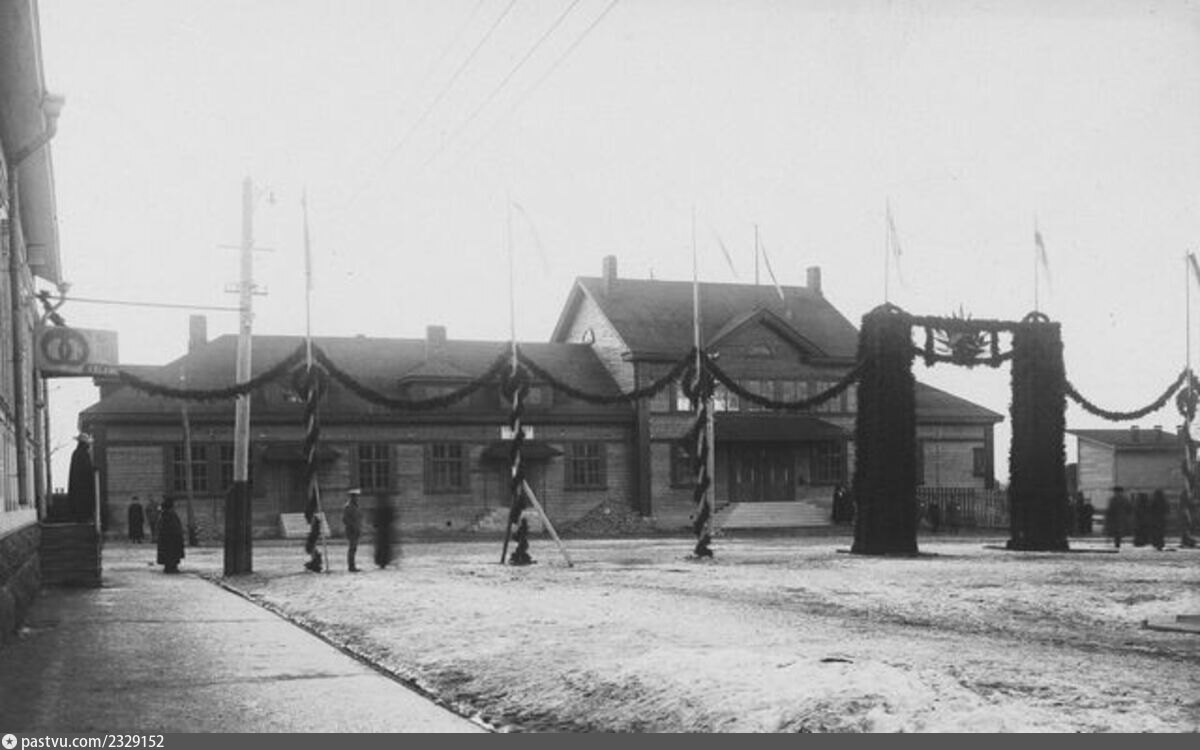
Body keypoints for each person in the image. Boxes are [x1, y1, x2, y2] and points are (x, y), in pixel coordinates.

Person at [67, 433, 96, 523]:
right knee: (84, 502)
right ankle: (84, 518)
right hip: (84, 485)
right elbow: (86, 469)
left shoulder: (75, 453)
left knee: (79, 501)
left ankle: (79, 517)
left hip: (77, 485)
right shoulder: (84, 454)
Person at [156, 497, 185, 573]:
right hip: (172, 538)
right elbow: (175, 526)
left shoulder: (164, 514)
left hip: (166, 538)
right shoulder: (170, 514)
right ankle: (171, 567)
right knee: (172, 553)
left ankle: (169, 566)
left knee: (168, 553)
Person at [342, 489, 363, 572]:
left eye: (357, 496)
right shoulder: (348, 507)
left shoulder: (356, 506)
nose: (357, 498)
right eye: (355, 496)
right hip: (351, 530)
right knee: (352, 548)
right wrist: (352, 526)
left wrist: (359, 527)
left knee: (354, 548)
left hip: (356, 529)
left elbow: (359, 517)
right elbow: (345, 519)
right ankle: (351, 566)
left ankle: (353, 565)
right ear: (352, 497)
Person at [374, 498, 395, 569]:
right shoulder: (385, 509)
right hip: (384, 531)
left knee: (382, 547)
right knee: (383, 547)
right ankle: (383, 561)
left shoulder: (381, 509)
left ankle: (382, 561)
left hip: (382, 531)